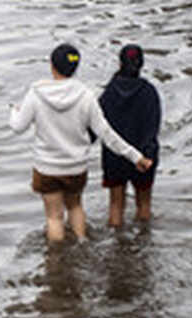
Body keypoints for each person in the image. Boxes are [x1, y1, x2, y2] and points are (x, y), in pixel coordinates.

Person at [8, 43, 153, 243]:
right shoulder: (86, 96)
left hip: (47, 168)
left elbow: (18, 127)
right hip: (75, 167)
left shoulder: (36, 94)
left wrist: (14, 112)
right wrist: (136, 157)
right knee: (75, 207)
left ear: (52, 65)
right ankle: (82, 244)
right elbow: (106, 134)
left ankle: (57, 261)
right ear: (76, 67)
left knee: (54, 217)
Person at [98, 43, 161, 227]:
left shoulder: (109, 92)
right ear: (141, 64)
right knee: (144, 205)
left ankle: (118, 246)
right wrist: (148, 154)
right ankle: (143, 243)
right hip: (143, 155)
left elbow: (98, 125)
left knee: (116, 206)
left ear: (120, 63)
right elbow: (152, 126)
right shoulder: (149, 92)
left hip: (114, 156)